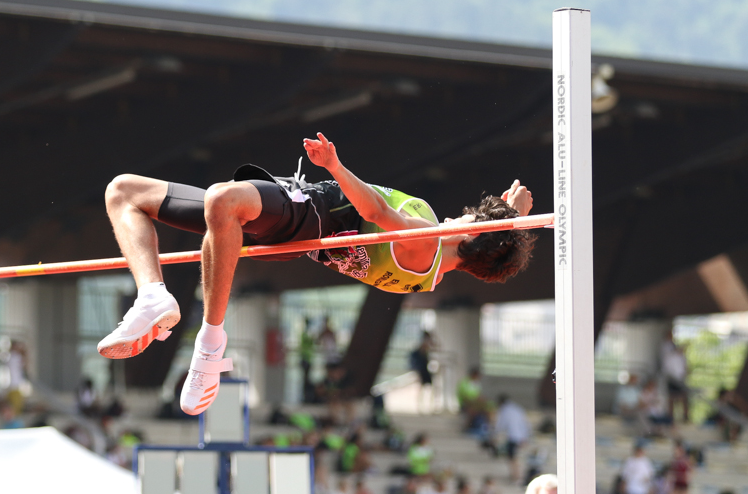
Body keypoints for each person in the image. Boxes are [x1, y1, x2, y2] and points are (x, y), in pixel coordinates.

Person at [98, 132, 537, 415]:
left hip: (307, 215)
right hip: (295, 228)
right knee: (124, 192)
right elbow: (486, 240)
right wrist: (509, 222)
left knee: (220, 199)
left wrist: (334, 165)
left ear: (473, 234)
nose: (457, 217)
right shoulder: (433, 273)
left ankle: (210, 344)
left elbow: (376, 211)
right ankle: (152, 294)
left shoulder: (426, 240)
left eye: (466, 218)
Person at [495, 394, 530, 483]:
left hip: (513, 437)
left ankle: (515, 475)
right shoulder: (517, 409)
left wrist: (495, 434)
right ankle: (516, 475)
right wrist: (526, 436)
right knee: (514, 457)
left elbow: (500, 425)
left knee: (512, 457)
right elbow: (525, 424)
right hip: (521, 436)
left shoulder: (505, 410)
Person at [660, 333, 689, 424]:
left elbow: (685, 367)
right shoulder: (670, 355)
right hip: (672, 379)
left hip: (681, 379)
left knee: (683, 398)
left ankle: (685, 416)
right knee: (672, 398)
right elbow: (667, 368)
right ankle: (671, 417)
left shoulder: (682, 357)